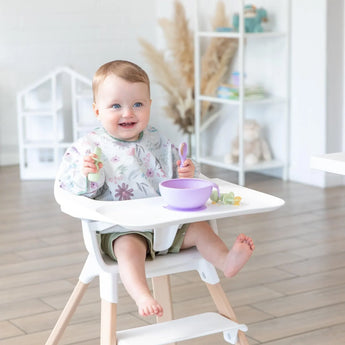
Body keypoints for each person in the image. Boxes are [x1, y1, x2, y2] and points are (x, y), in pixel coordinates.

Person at [57, 60, 254, 318]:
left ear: (149, 105)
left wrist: (187, 172)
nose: (128, 113)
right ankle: (142, 294)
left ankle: (226, 260)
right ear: (97, 110)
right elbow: (76, 191)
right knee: (129, 249)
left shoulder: (156, 140)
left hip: (168, 225)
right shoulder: (90, 148)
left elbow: (177, 173)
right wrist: (89, 173)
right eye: (116, 106)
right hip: (121, 229)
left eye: (137, 104)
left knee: (200, 230)